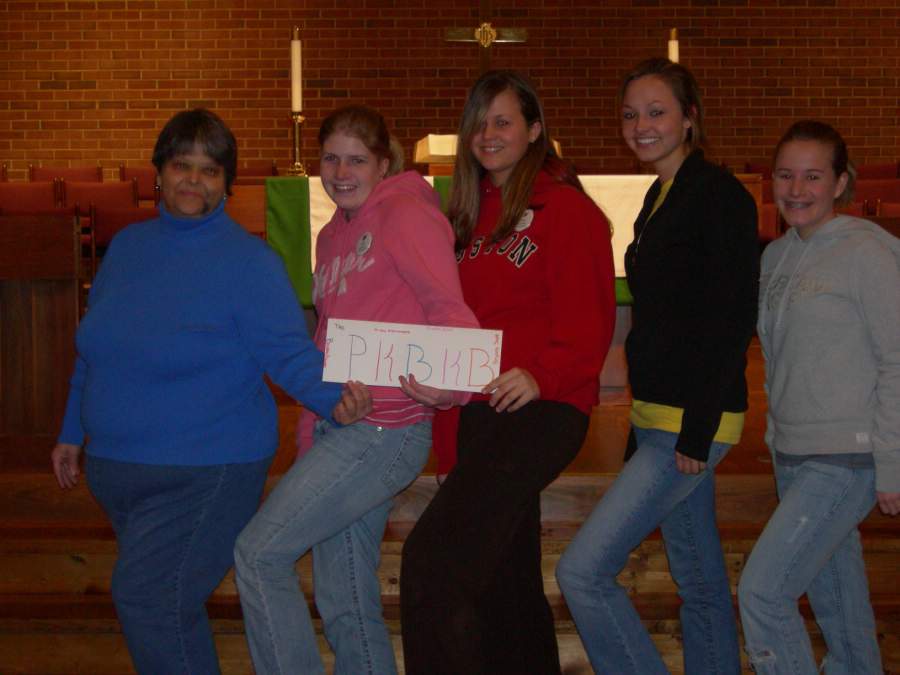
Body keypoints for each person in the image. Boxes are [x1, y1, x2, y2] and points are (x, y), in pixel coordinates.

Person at [50, 108, 371, 675]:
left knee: (149, 599)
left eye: (210, 170)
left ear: (226, 183)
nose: (193, 180)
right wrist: (72, 431)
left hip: (205, 473)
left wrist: (336, 400)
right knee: (169, 609)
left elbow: (288, 354)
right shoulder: (127, 248)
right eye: (182, 165)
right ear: (159, 173)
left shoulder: (250, 262)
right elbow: (95, 347)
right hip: (118, 472)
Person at [233, 105, 479, 675]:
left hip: (385, 430)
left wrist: (451, 388)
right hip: (341, 427)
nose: (341, 172)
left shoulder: (406, 215)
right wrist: (311, 435)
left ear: (384, 163)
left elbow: (450, 309)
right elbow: (326, 344)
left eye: (357, 160)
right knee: (343, 598)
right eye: (331, 159)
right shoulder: (329, 235)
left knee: (258, 554)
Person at [399, 70, 616, 675]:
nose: (488, 134)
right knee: (506, 584)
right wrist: (449, 436)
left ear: (535, 130)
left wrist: (541, 375)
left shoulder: (565, 209)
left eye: (503, 121)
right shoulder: (463, 219)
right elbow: (457, 329)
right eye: (479, 122)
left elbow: (590, 323)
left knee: (431, 566)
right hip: (478, 413)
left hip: (539, 409)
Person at [555, 57, 759, 675]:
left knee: (582, 571)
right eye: (630, 115)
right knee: (699, 581)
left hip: (691, 422)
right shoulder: (659, 194)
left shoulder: (717, 194)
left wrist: (696, 427)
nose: (641, 126)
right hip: (657, 417)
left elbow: (731, 317)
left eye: (656, 112)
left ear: (689, 117)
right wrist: (641, 422)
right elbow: (662, 319)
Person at [738, 120, 900, 674]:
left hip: (847, 456)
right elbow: (779, 358)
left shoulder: (868, 253)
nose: (796, 189)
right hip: (793, 452)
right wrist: (774, 437)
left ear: (840, 182)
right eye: (785, 175)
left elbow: (897, 359)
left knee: (762, 593)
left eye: (812, 176)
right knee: (838, 600)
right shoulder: (775, 257)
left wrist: (892, 462)